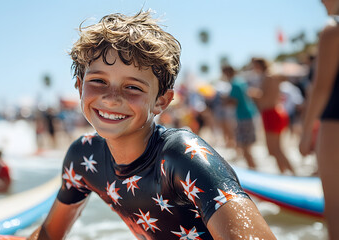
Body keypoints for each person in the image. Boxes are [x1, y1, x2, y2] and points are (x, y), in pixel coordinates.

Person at [29, 11, 276, 240]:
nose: (112, 97)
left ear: (161, 101)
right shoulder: (83, 157)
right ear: (79, 86)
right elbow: (49, 235)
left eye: (133, 87)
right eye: (98, 81)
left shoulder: (182, 157)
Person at [299, 0, 339, 238]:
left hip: (335, 123)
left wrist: (306, 133)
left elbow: (321, 89)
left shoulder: (333, 29)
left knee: (335, 212)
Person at [249, 58, 296, 175]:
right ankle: (286, 173)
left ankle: (292, 174)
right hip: (275, 112)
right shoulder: (273, 76)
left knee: (275, 149)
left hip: (271, 113)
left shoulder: (267, 77)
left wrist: (253, 94)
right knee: (276, 149)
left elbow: (265, 97)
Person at [222, 65, 258, 170]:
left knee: (244, 147)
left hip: (244, 117)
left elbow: (233, 101)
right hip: (247, 115)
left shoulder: (235, 84)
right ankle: (253, 169)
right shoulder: (240, 81)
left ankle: (254, 171)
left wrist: (225, 100)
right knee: (246, 148)